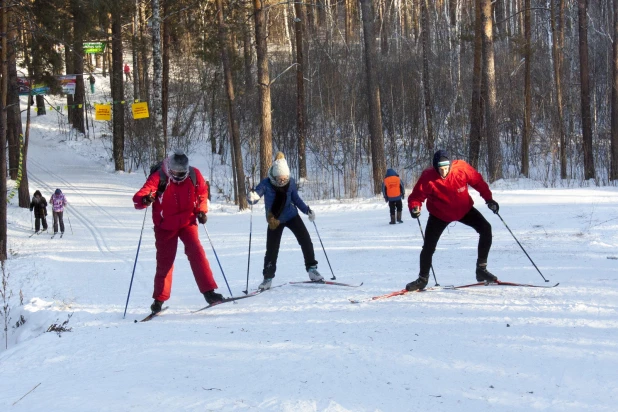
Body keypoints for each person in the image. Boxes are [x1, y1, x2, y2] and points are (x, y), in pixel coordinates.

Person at [132, 149, 223, 314]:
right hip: (165, 226)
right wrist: (145, 200)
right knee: (165, 262)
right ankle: (159, 300)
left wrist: (202, 211)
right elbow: (139, 197)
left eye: (182, 172)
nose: (179, 175)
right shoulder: (159, 177)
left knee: (197, 254)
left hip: (188, 222)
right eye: (176, 172)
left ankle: (209, 292)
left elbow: (202, 192)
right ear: (170, 169)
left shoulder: (194, 174)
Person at [405, 149, 500, 291]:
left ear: (450, 164)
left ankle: (481, 269)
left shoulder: (461, 169)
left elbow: (478, 182)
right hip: (439, 215)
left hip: (464, 210)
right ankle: (422, 279)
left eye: (445, 168)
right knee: (428, 247)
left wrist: (489, 199)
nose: (443, 172)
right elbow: (416, 197)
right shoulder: (428, 177)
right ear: (435, 167)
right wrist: (415, 208)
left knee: (486, 229)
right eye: (440, 169)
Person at [247, 152, 322, 290]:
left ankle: (312, 269)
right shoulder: (266, 183)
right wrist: (251, 197)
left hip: (291, 215)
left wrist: (307, 210)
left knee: (305, 240)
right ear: (274, 176)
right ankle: (267, 278)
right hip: (275, 219)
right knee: (272, 249)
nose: (282, 181)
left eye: (284, 178)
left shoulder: (291, 182)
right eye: (280, 179)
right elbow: (255, 196)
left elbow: (296, 199)